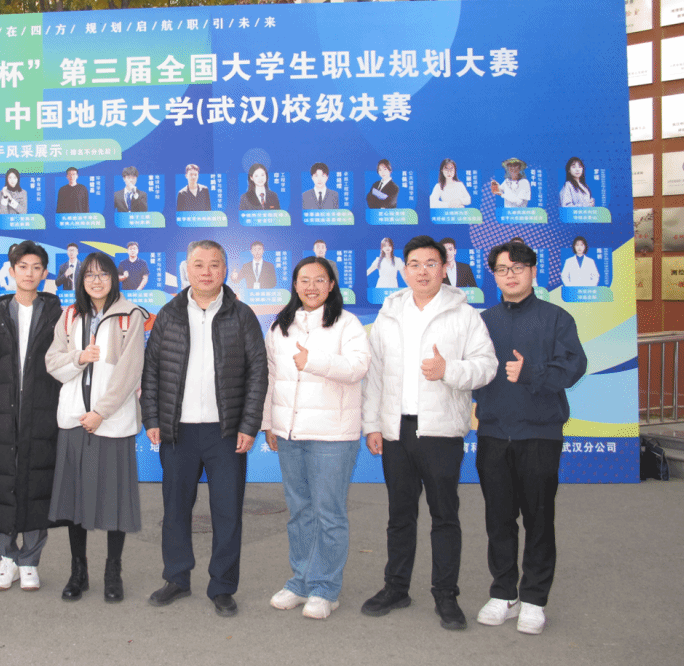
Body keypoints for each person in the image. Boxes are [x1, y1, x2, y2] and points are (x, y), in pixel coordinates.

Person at [360, 235, 497, 630]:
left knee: (444, 516)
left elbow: (486, 366)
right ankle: (396, 587)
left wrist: (448, 370)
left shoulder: (464, 315)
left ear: (444, 268)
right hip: (396, 431)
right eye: (415, 264)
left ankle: (445, 595)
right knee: (399, 515)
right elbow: (376, 375)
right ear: (404, 270)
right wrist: (373, 425)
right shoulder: (389, 314)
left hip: (440, 432)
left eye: (431, 264)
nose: (423, 271)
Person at [141, 239, 267, 618]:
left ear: (225, 270)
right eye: (199, 264)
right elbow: (152, 370)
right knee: (175, 509)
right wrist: (152, 418)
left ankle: (223, 586)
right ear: (188, 270)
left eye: (214, 265)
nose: (207, 272)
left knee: (227, 512)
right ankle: (177, 578)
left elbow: (258, 373)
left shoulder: (241, 315)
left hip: (225, 432)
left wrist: (249, 424)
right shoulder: (168, 314)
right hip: (177, 431)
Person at [473, 242, 587, 635]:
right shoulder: (482, 321)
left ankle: (535, 599)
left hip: (540, 433)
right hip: (493, 433)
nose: (511, 275)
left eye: (518, 267)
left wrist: (531, 373)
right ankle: (504, 593)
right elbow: (471, 370)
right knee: (498, 518)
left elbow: (574, 366)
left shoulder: (557, 318)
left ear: (533, 271)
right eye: (503, 269)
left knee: (539, 519)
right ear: (494, 275)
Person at [262, 257, 370, 620]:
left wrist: (315, 361)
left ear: (331, 285)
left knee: (329, 513)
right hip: (290, 433)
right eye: (304, 280)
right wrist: (269, 422)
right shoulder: (280, 326)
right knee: (300, 513)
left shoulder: (347, 323)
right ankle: (300, 581)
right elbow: (271, 377)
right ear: (294, 285)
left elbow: (358, 368)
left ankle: (325, 588)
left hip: (332, 436)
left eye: (319, 280)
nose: (311, 287)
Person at [45, 252, 148, 603]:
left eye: (103, 274)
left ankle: (112, 571)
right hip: (74, 419)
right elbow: (53, 362)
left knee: (115, 500)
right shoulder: (70, 315)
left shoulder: (130, 315)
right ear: (81, 281)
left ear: (114, 278)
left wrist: (101, 412)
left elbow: (130, 371)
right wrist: (79, 357)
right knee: (75, 500)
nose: (96, 280)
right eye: (89, 275)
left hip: (111, 421)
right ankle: (79, 571)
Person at [0, 241, 63, 592]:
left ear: (44, 273)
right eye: (22, 267)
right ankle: (7, 559)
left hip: (44, 416)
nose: (29, 273)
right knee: (1, 486)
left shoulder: (58, 317)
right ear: (11, 272)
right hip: (1, 419)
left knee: (38, 486)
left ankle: (30, 561)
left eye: (36, 267)